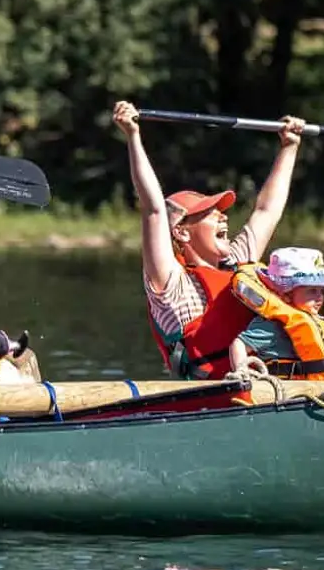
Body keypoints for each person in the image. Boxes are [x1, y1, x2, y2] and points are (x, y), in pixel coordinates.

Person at [111, 99, 307, 378]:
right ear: (181, 231)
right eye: (209, 213)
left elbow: (266, 211)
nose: (223, 217)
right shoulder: (171, 285)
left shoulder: (236, 264)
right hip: (211, 395)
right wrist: (133, 135)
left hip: (261, 385)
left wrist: (289, 147)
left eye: (222, 211)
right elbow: (153, 209)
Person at [231, 247, 324, 379]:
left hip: (316, 389)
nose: (320, 297)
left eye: (322, 291)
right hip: (286, 392)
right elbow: (238, 344)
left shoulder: (316, 322)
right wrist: (241, 373)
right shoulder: (272, 326)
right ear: (286, 293)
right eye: (312, 290)